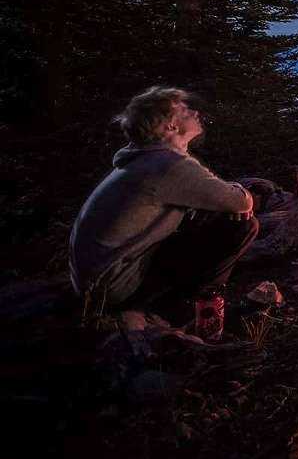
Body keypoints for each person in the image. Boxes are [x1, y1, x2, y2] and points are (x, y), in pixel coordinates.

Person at [69, 87, 258, 332]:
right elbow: (241, 202)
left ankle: (180, 304)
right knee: (241, 225)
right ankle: (204, 309)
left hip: (99, 282)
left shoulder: (142, 161)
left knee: (214, 215)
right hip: (116, 288)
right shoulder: (168, 165)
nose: (194, 112)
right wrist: (239, 197)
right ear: (170, 126)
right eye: (184, 109)